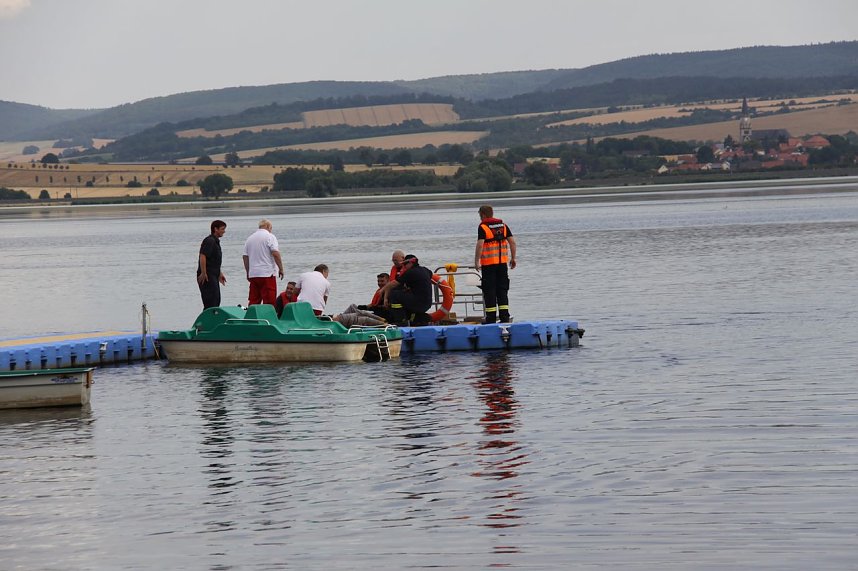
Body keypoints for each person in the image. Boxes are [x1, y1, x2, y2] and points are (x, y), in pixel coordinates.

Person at [474, 204, 517, 323]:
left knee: (490, 291)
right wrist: (513, 258)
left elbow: (480, 244)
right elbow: (512, 243)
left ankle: (491, 319)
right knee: (502, 290)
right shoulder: (503, 226)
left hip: (488, 265)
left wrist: (477, 261)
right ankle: (504, 318)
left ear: (483, 214)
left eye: (480, 215)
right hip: (502, 264)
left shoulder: (483, 227)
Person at [380, 254, 433, 326]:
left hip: (418, 303)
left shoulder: (410, 272)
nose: (404, 266)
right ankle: (414, 319)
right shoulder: (425, 270)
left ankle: (401, 321)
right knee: (403, 294)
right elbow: (429, 276)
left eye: (405, 264)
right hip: (428, 304)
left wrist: (384, 294)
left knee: (394, 294)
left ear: (411, 263)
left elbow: (392, 285)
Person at [242, 219, 284, 305]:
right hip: (267, 273)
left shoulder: (250, 238)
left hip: (253, 274)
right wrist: (281, 269)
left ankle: (252, 317)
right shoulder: (270, 236)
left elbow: (245, 257)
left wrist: (248, 272)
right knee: (269, 300)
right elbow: (275, 253)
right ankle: (268, 317)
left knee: (254, 300)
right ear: (268, 227)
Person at [197, 220, 227, 309]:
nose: (224, 231)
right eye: (222, 229)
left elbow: (214, 260)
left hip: (214, 274)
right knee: (210, 301)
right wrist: (203, 272)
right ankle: (205, 321)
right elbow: (203, 256)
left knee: (216, 299)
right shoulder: (209, 241)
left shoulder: (216, 241)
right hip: (207, 275)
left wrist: (219, 273)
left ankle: (213, 320)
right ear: (215, 229)